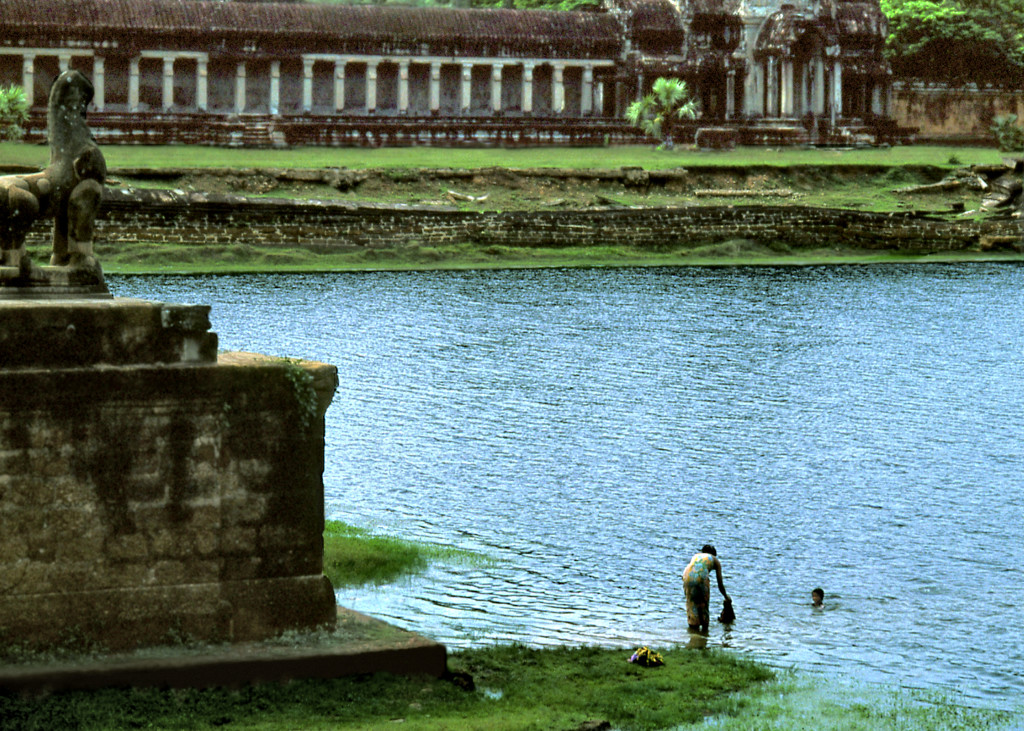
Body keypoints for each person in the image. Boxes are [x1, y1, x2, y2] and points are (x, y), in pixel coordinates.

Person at [682, 544, 729, 633]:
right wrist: (726, 596)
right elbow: (720, 584)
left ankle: (693, 632)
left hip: (686, 576)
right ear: (714, 554)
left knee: (691, 604)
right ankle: (704, 634)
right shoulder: (715, 560)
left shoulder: (696, 556)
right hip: (701, 577)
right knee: (703, 605)